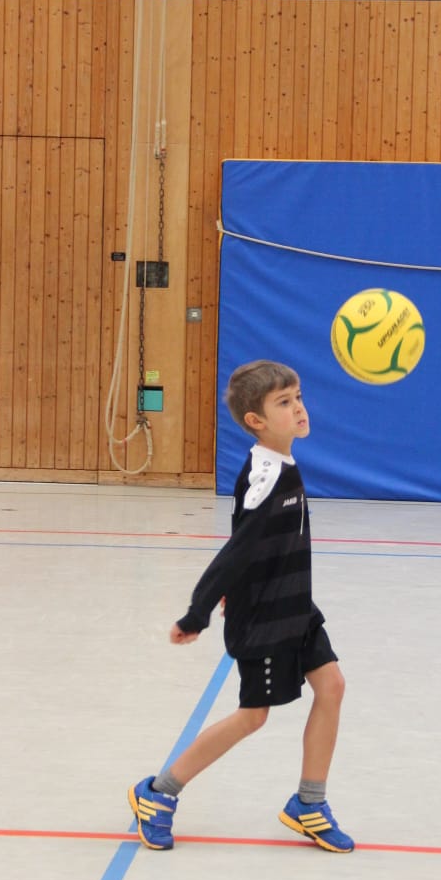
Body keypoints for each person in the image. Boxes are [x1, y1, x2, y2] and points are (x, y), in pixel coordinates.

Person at [128, 359, 354, 854]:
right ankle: (159, 792)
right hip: (264, 619)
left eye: (298, 397)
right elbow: (238, 549)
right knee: (253, 717)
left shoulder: (282, 463)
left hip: (296, 605)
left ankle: (309, 803)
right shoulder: (265, 476)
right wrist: (199, 611)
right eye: (284, 402)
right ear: (256, 421)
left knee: (332, 686)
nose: (299, 408)